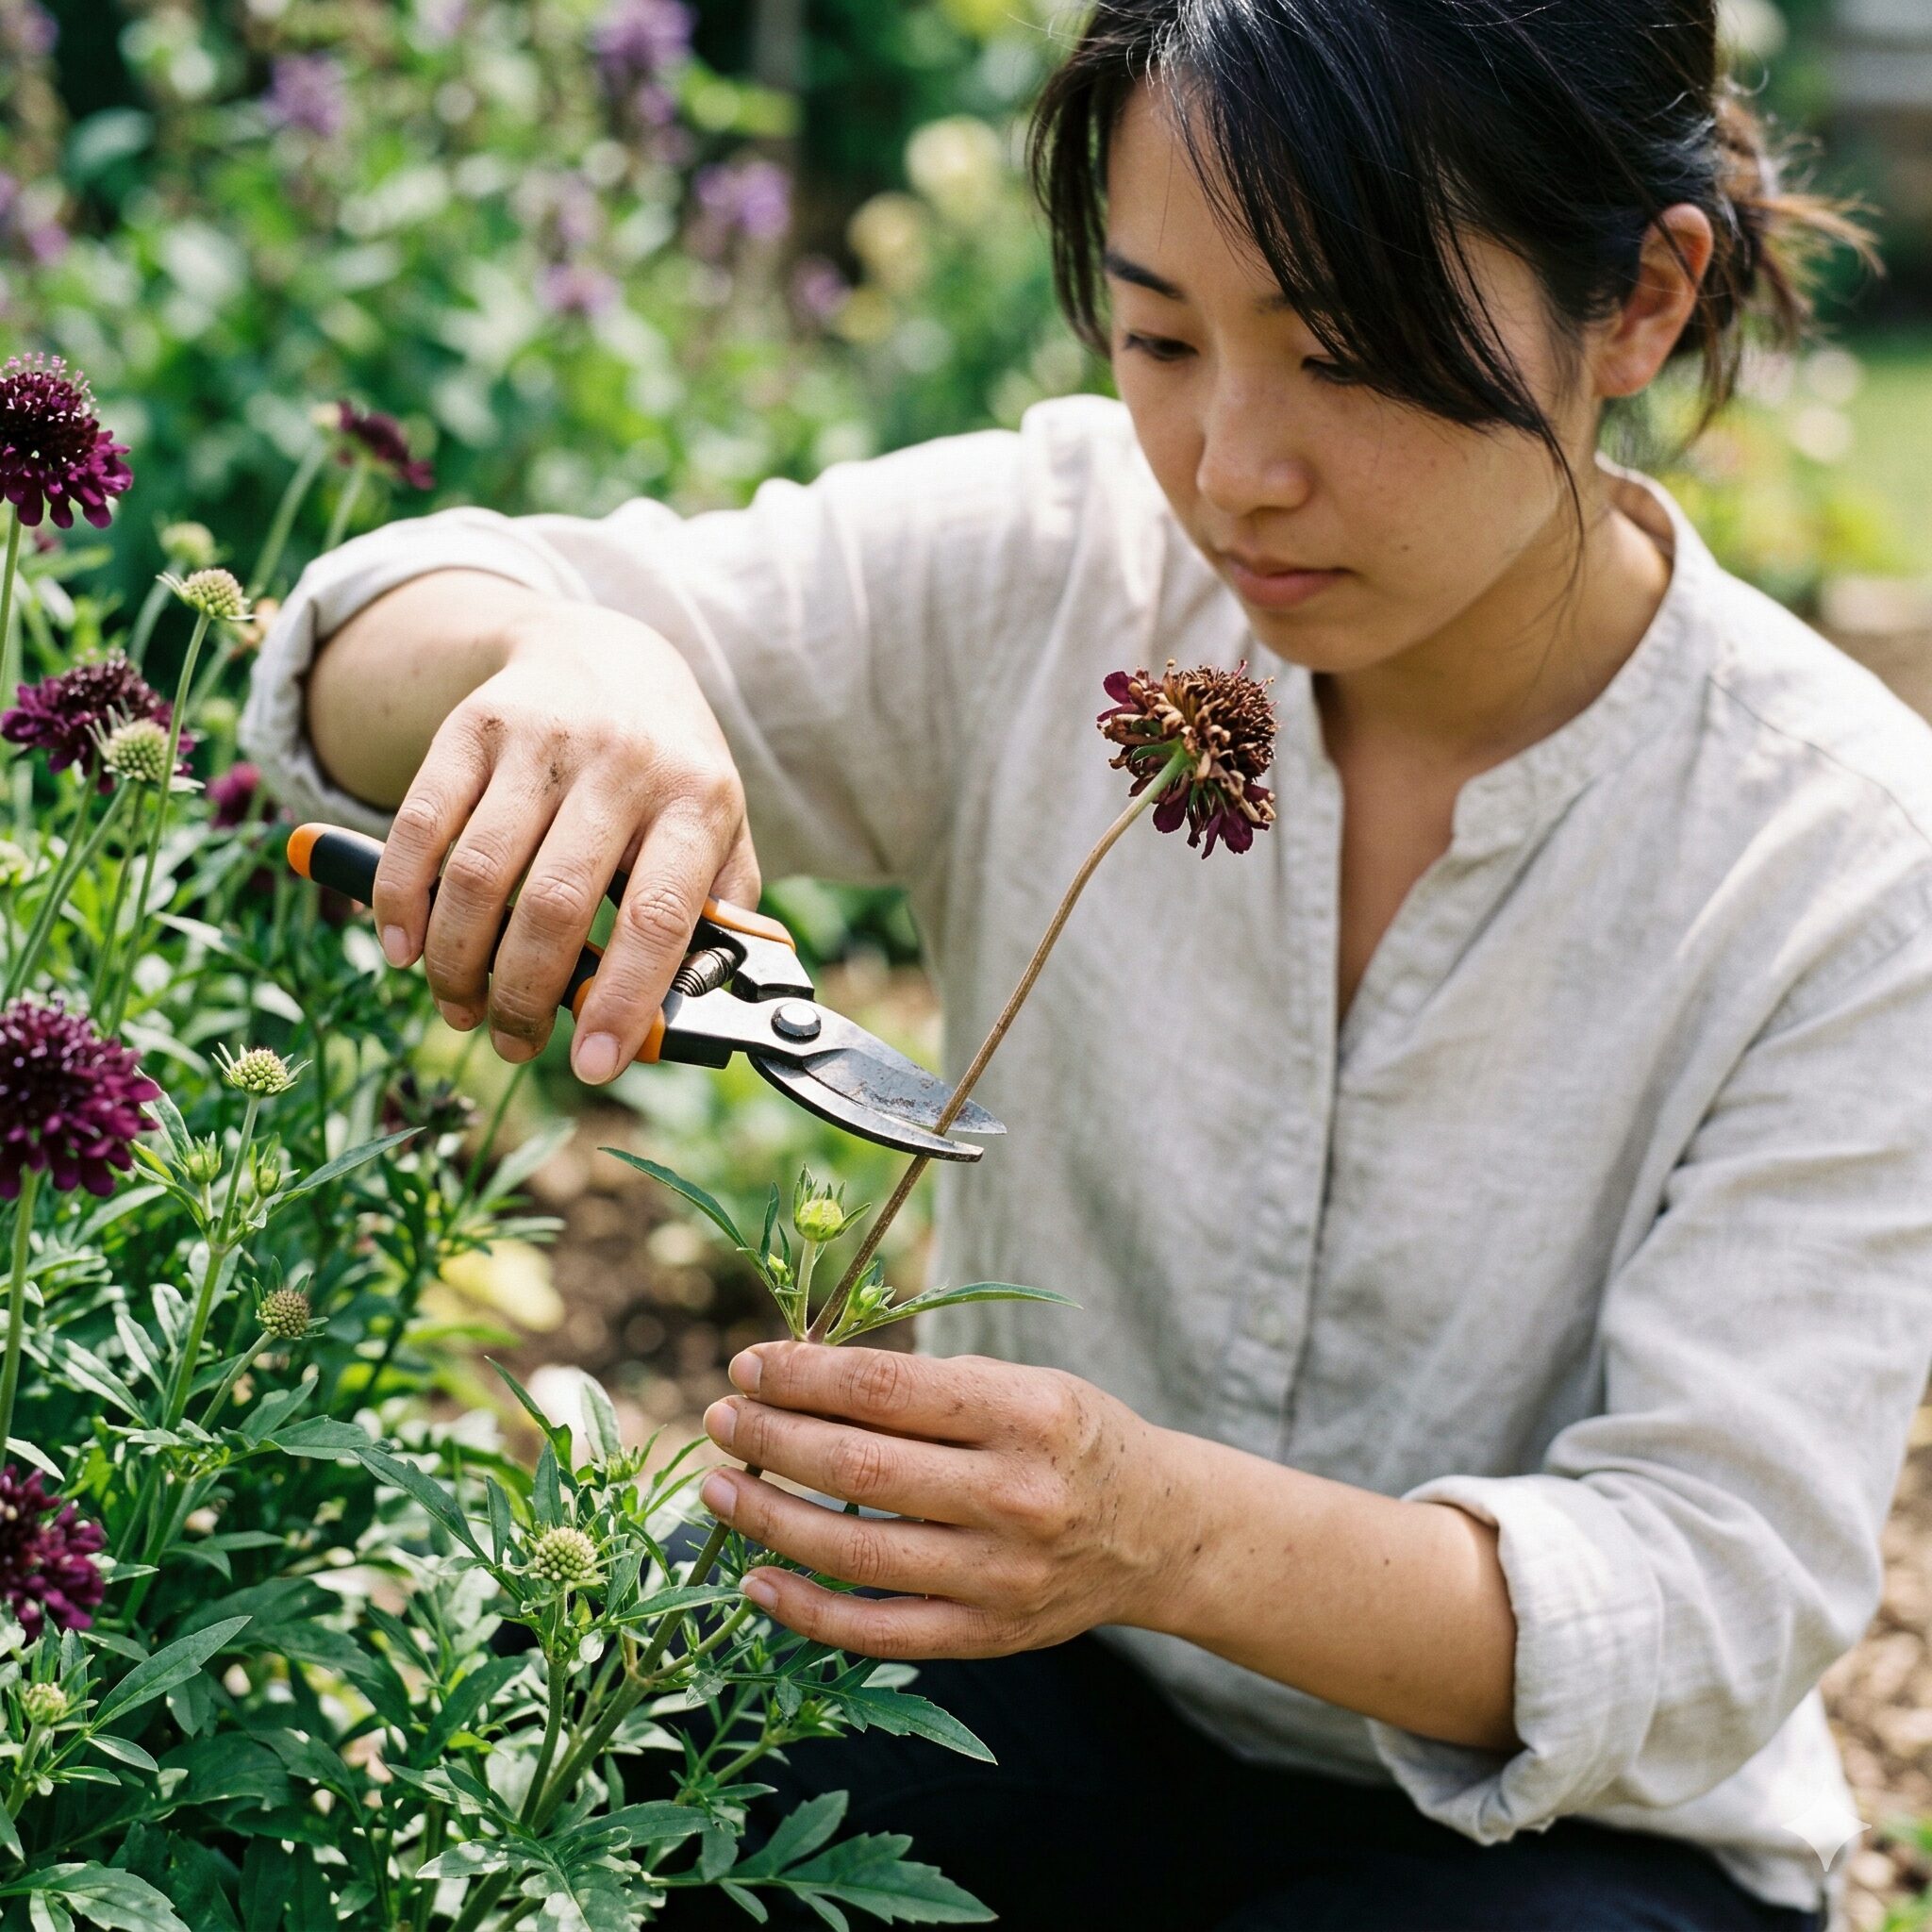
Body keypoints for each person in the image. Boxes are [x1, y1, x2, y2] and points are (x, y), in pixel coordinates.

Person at [242, 2, 1932, 1925]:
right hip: (1031, 1696)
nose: (1232, 468)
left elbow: (1707, 1594)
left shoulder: (1842, 858)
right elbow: (352, 654)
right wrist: (567, 657)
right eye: (1159, 338)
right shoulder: (1056, 564)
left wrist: (1159, 1529)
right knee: (635, 1765)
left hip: (1555, 1850)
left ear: (1637, 299)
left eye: (1345, 350)